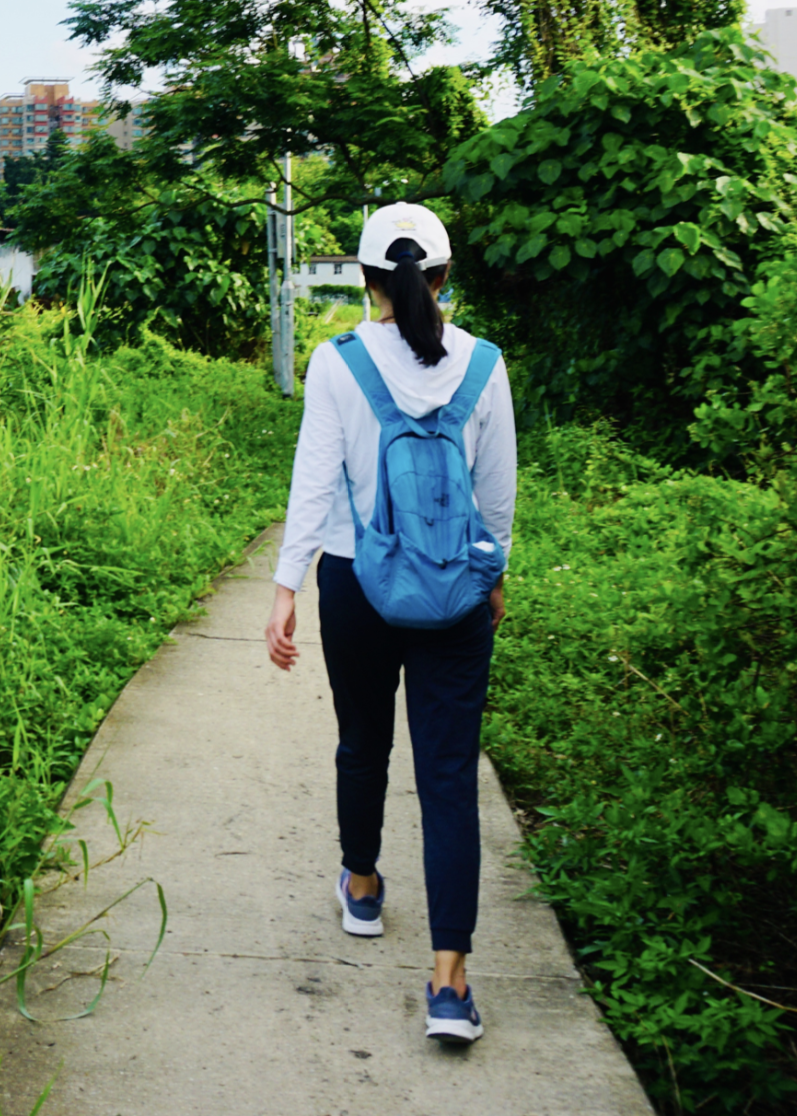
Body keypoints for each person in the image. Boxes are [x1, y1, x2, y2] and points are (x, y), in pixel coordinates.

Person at [261, 200, 516, 1045]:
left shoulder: (338, 363)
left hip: (356, 584)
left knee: (362, 741)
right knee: (447, 778)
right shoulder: (485, 365)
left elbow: (314, 478)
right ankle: (449, 985)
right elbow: (497, 493)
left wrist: (286, 585)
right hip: (454, 593)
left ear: (365, 277)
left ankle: (363, 887)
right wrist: (492, 576)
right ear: (443, 276)